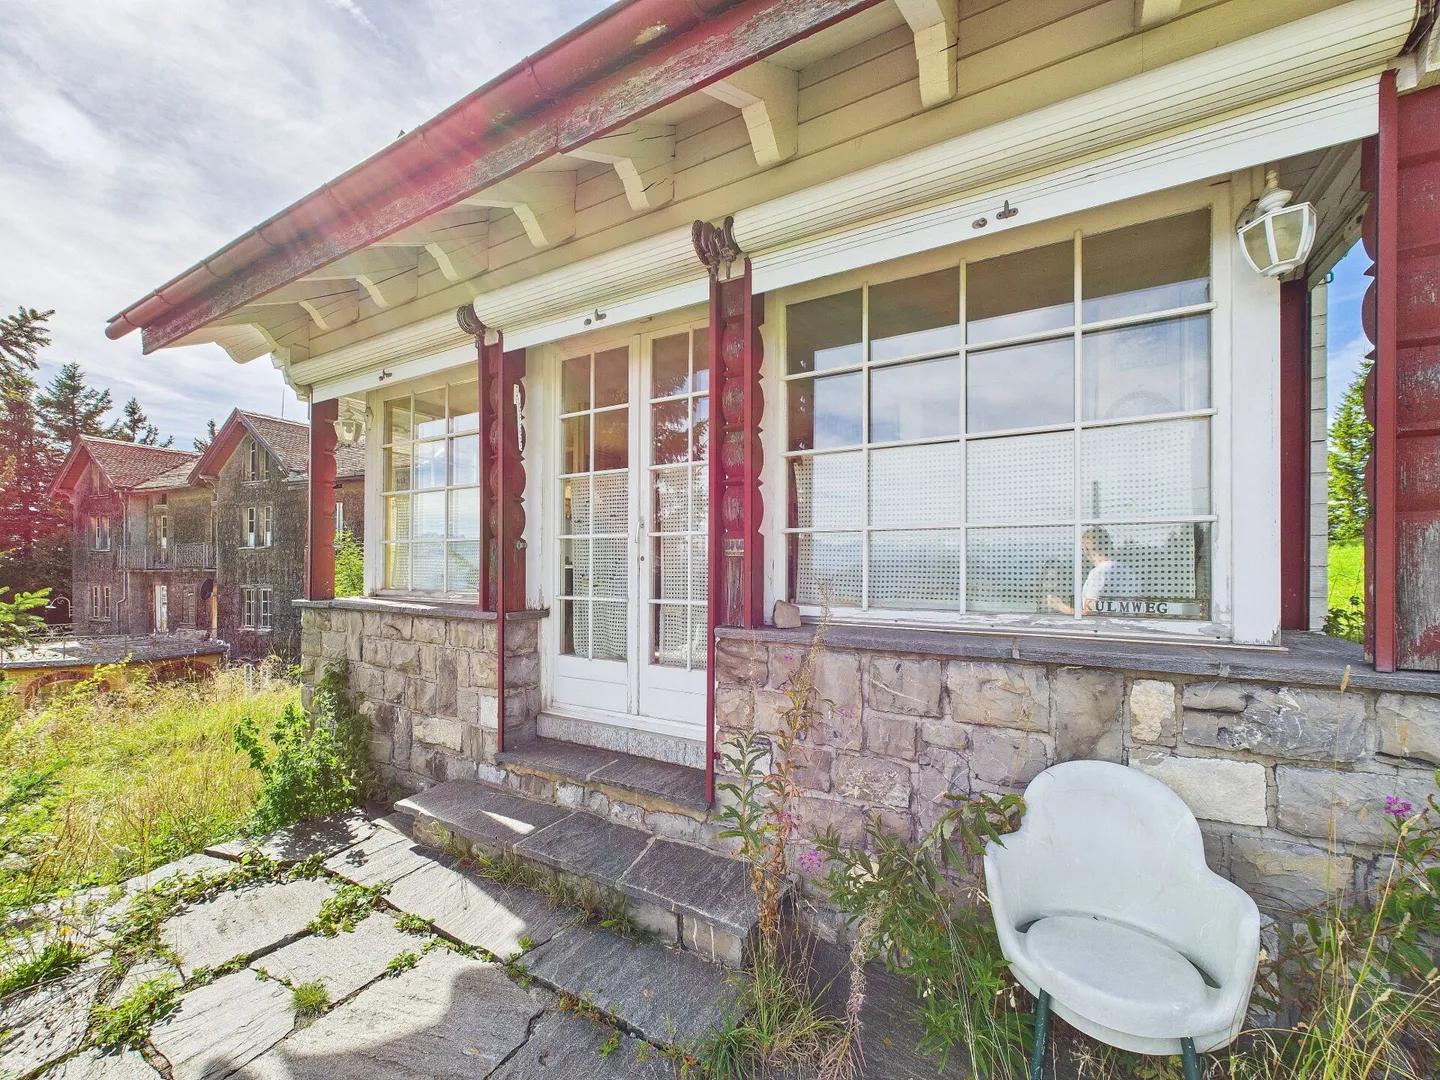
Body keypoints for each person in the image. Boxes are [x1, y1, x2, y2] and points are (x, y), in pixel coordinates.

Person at [1046, 527, 1141, 615]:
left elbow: (1088, 614)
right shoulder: (1128, 571)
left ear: (1086, 549)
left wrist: (1059, 605)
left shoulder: (1099, 573)